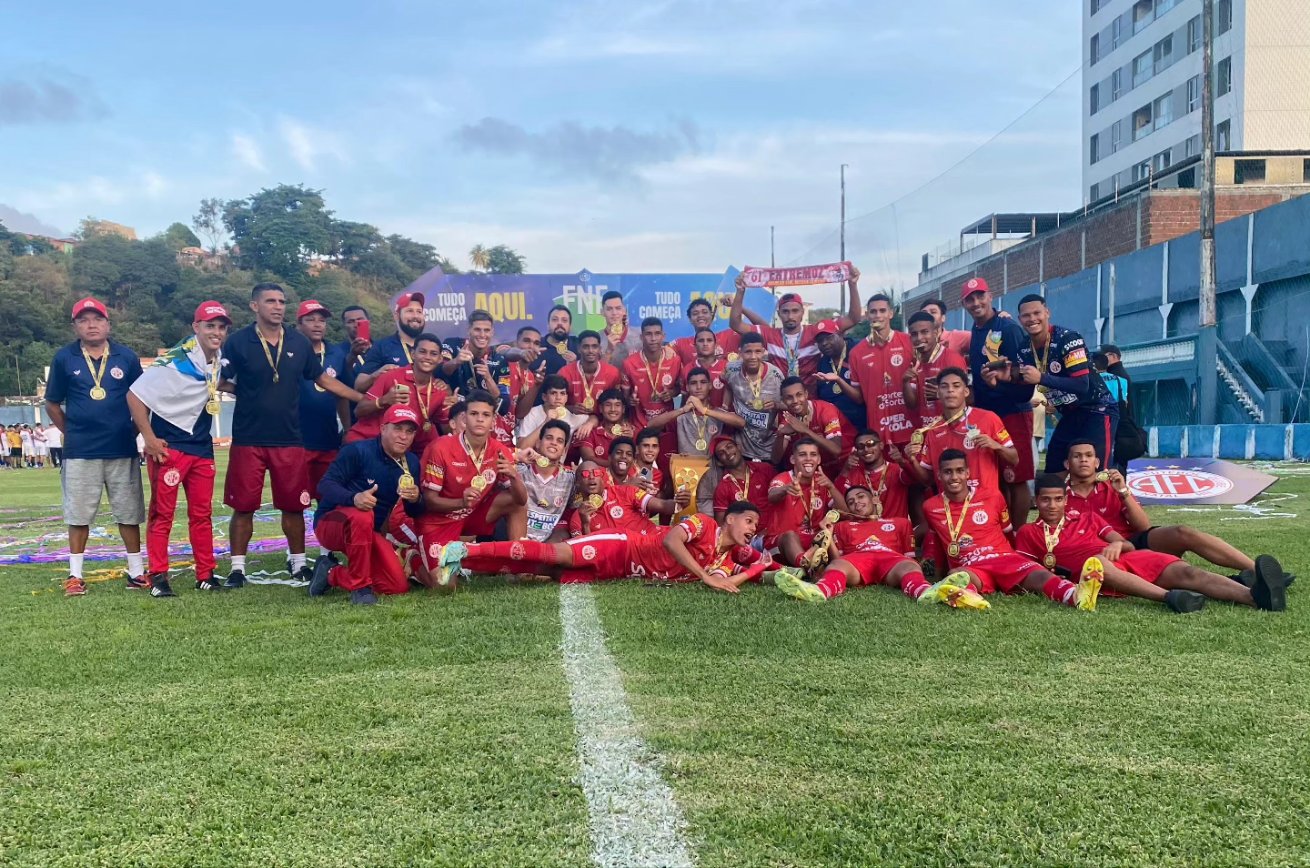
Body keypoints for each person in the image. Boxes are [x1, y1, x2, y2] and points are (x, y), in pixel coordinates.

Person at [219, 283, 365, 588]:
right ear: (254, 306)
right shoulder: (237, 342)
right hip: (249, 437)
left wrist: (366, 401)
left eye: (281, 301)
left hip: (289, 438)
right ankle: (237, 569)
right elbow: (220, 381)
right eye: (270, 301)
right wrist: (245, 392)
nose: (277, 306)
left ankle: (299, 563)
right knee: (243, 506)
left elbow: (325, 380)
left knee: (294, 505)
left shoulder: (297, 341)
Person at [1017, 474, 1287, 613]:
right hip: (1096, 574)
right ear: (1035, 501)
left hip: (1129, 559)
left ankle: (1255, 597)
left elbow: (1129, 544)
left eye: (1057, 499)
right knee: (1097, 564)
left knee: (1187, 572)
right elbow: (1029, 571)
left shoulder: (1087, 518)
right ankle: (1170, 597)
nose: (1052, 505)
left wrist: (1118, 545)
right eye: (1045, 500)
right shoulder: (1028, 532)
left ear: (1065, 499)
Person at [1061, 440, 1287, 587]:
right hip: (1098, 552)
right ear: (1067, 463)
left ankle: (1258, 572)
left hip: (1130, 540)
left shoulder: (1113, 486)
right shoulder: (1058, 496)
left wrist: (1124, 492)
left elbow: (1142, 526)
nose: (1083, 460)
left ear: (1097, 462)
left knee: (1183, 531)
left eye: (1089, 455)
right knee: (1181, 574)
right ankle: (1239, 585)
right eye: (1077, 456)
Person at [44, 297, 146, 595]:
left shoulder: (126, 357)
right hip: (80, 452)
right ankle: (75, 576)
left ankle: (137, 573)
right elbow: (52, 403)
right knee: (78, 515)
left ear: (108, 324)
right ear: (75, 326)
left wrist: (133, 431)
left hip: (121, 448)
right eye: (84, 320)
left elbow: (142, 400)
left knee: (129, 513)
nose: (91, 325)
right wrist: (71, 431)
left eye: (97, 319)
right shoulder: (65, 358)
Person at [441, 501, 769, 592]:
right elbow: (671, 540)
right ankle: (464, 550)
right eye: (749, 522)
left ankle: (464, 564)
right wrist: (705, 576)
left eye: (755, 526)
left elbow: (725, 582)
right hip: (621, 547)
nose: (752, 529)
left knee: (544, 569)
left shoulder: (723, 558)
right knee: (554, 553)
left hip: (620, 574)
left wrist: (758, 567)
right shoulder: (706, 524)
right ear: (731, 519)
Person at [922, 449, 1101, 610]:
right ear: (939, 475)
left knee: (1039, 575)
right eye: (948, 472)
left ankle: (1076, 595)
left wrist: (1017, 558)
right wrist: (938, 576)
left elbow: (1007, 532)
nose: (954, 477)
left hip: (1003, 557)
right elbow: (939, 543)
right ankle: (970, 598)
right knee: (958, 575)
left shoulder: (992, 496)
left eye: (960, 471)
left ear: (968, 473)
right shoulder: (930, 506)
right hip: (971, 564)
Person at [773, 484, 971, 607]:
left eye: (860, 497)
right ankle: (820, 591)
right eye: (850, 502)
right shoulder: (843, 526)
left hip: (891, 559)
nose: (856, 503)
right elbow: (836, 558)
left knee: (909, 566)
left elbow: (909, 555)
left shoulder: (900, 523)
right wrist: (829, 533)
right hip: (857, 560)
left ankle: (924, 592)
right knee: (837, 566)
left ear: (874, 499)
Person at [307, 405, 426, 605]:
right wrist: (353, 498)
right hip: (332, 524)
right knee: (362, 513)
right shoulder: (358, 451)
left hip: (368, 532)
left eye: (409, 431)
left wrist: (416, 499)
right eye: (397, 429)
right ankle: (360, 588)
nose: (403, 436)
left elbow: (413, 511)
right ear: (383, 429)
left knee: (396, 586)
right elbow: (324, 485)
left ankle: (330, 573)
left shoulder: (411, 462)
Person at [1002, 294, 1118, 472]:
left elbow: (1081, 385)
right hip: (1070, 414)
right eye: (1026, 315)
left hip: (1098, 409)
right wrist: (1005, 381)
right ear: (1020, 319)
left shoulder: (1068, 338)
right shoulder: (1024, 348)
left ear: (1047, 312)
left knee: (1097, 472)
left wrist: (1041, 378)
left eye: (1037, 313)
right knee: (1054, 469)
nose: (1032, 319)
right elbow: (1023, 395)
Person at [962, 276, 1036, 528]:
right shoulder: (977, 329)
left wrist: (1000, 385)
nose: (976, 303)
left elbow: (1023, 375)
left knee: (1017, 477)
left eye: (980, 296)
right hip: (987, 416)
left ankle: (1018, 534)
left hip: (1013, 412)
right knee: (997, 478)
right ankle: (1004, 534)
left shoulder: (1008, 328)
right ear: (964, 305)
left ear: (990, 296)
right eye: (970, 299)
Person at [415, 389, 526, 556]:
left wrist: (514, 476)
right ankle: (412, 557)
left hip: (472, 515)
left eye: (486, 415)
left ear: (493, 421)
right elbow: (429, 501)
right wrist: (462, 502)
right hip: (440, 519)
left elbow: (521, 500)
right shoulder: (440, 447)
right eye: (474, 413)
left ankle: (519, 563)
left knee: (513, 501)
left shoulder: (500, 450)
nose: (480, 419)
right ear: (464, 418)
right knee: (443, 581)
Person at [728, 268, 862, 387]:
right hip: (781, 399)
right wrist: (740, 291)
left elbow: (853, 318)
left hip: (810, 400)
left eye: (795, 311)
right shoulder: (770, 334)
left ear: (802, 312)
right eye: (785, 312)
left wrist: (852, 284)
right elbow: (736, 324)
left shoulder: (814, 331)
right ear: (779, 314)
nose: (790, 316)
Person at [908, 368, 1018, 498]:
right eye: (944, 386)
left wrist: (996, 446)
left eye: (956, 385)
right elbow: (928, 480)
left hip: (985, 505)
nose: (950, 390)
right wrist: (913, 460)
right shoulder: (933, 430)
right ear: (938, 393)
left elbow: (1014, 459)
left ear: (966, 391)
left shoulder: (988, 418)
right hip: (951, 508)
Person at [348, 333, 451, 453]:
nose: (427, 357)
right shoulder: (391, 375)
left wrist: (453, 407)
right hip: (365, 442)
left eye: (433, 354)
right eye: (422, 352)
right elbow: (358, 411)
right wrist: (384, 400)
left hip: (399, 451)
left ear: (439, 359)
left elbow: (446, 429)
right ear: (413, 354)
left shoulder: (439, 391)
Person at [295, 300, 351, 502]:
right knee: (296, 501)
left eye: (322, 320)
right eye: (310, 320)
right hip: (297, 440)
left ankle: (326, 534)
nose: (317, 324)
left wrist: (347, 429)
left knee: (329, 499)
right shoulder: (290, 352)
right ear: (299, 324)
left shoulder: (336, 353)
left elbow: (342, 395)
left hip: (328, 440)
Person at [848, 292, 917, 448]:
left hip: (911, 428)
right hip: (878, 433)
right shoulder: (856, 353)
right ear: (867, 315)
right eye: (873, 311)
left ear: (891, 313)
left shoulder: (908, 342)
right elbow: (858, 397)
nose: (878, 315)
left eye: (882, 310)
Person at [766, 438, 847, 568]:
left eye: (813, 455)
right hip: (781, 543)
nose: (808, 459)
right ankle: (804, 564)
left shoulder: (821, 481)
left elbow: (846, 512)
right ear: (793, 459)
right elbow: (772, 496)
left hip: (812, 541)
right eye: (802, 455)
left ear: (819, 460)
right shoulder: (783, 479)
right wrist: (786, 489)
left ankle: (837, 565)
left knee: (831, 532)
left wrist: (831, 487)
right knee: (790, 535)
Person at [568, 457, 687, 536]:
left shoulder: (625, 491)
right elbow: (585, 551)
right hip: (628, 558)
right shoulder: (577, 518)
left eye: (596, 473)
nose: (592, 477)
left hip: (657, 539)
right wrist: (585, 524)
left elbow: (663, 505)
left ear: (602, 478)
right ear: (577, 483)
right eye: (585, 474)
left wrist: (681, 502)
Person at [772, 376, 855, 475]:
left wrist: (806, 430)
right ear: (783, 401)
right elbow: (775, 459)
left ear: (806, 394)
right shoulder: (788, 419)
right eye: (789, 397)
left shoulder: (825, 410)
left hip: (847, 464)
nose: (795, 401)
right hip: (821, 470)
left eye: (799, 395)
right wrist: (780, 435)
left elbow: (836, 449)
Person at [723, 332, 785, 461]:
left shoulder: (776, 376)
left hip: (768, 446)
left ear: (763, 352)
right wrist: (724, 405)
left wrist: (777, 405)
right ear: (740, 352)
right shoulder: (731, 369)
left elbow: (788, 406)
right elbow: (728, 385)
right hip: (741, 446)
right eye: (748, 352)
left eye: (758, 352)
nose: (753, 357)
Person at [903, 310, 968, 428]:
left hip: (951, 427)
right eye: (914, 334)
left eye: (925, 332)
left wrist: (941, 394)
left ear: (935, 332)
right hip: (928, 430)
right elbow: (912, 405)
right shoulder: (914, 362)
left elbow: (968, 397)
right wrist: (905, 382)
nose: (919, 338)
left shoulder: (952, 359)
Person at [518, 419, 577, 543]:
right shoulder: (520, 470)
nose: (554, 443)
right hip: (516, 537)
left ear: (564, 451)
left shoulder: (571, 478)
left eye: (560, 441)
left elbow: (573, 511)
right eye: (549, 438)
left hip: (549, 546)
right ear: (538, 444)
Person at [620, 317, 681, 434]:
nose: (653, 339)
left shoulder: (675, 360)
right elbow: (624, 397)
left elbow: (680, 387)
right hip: (639, 424)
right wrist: (630, 400)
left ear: (663, 336)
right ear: (641, 337)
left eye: (657, 334)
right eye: (648, 334)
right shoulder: (629, 363)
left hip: (667, 422)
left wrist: (672, 393)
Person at [355, 291, 426, 391]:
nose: (415, 316)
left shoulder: (431, 346)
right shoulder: (381, 346)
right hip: (395, 405)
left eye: (419, 311)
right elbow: (359, 385)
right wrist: (377, 375)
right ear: (396, 316)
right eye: (410, 311)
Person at [836, 431, 912, 519]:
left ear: (881, 445)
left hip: (895, 530)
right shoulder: (853, 474)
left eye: (870, 443)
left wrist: (902, 461)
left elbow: (915, 477)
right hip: (866, 530)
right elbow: (836, 499)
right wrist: (845, 470)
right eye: (860, 446)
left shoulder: (897, 469)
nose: (866, 449)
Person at [517, 374, 594, 451]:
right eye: (553, 393)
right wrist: (546, 422)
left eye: (562, 393)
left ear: (566, 397)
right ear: (544, 397)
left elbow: (595, 418)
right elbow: (521, 448)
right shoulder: (532, 413)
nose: (558, 397)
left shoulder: (571, 417)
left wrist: (590, 423)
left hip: (557, 462)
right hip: (530, 461)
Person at [813, 321, 864, 430]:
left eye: (829, 337)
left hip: (862, 424)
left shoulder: (858, 351)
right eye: (820, 341)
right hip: (836, 427)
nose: (824, 343)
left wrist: (838, 379)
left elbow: (860, 398)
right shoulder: (822, 363)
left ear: (840, 334)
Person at [710, 435, 773, 523]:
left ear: (739, 447)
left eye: (729, 447)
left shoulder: (764, 469)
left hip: (772, 531)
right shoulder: (722, 488)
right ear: (719, 462)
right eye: (721, 453)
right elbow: (721, 525)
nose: (727, 453)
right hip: (746, 535)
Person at [560, 330, 623, 416]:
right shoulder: (564, 373)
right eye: (586, 347)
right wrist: (571, 408)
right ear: (579, 348)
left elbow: (617, 404)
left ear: (600, 349)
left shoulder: (613, 373)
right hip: (573, 421)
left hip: (603, 422)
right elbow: (554, 405)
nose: (590, 351)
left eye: (594, 347)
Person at [671, 297, 749, 364]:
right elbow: (662, 353)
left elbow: (760, 329)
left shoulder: (729, 336)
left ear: (712, 316)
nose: (700, 316)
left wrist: (735, 304)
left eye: (704, 312)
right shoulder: (681, 344)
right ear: (690, 319)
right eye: (695, 313)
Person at [578, 388, 635, 463]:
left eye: (617, 405)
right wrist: (614, 466)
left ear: (623, 409)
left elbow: (638, 460)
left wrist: (631, 441)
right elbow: (588, 458)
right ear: (601, 408)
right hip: (598, 474)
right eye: (608, 405)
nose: (613, 409)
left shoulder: (631, 432)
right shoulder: (590, 432)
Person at [680, 328, 730, 408]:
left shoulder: (727, 367)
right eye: (701, 341)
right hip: (696, 419)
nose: (705, 344)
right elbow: (685, 398)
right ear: (695, 346)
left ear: (716, 345)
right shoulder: (687, 369)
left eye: (709, 340)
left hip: (722, 418)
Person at [335, 304, 373, 400]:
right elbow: (338, 378)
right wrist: (352, 355)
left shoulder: (382, 348)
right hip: (352, 406)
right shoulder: (336, 351)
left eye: (360, 319)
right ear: (344, 326)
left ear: (368, 322)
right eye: (351, 321)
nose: (356, 324)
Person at [600, 290, 643, 365]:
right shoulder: (596, 340)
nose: (614, 313)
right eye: (609, 309)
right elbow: (596, 372)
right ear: (602, 312)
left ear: (624, 311)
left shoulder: (640, 335)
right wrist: (608, 351)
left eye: (618, 308)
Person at [540, 304, 579, 376]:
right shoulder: (537, 345)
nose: (559, 323)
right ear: (548, 325)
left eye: (564, 320)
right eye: (555, 320)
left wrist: (577, 364)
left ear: (570, 326)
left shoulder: (579, 345)